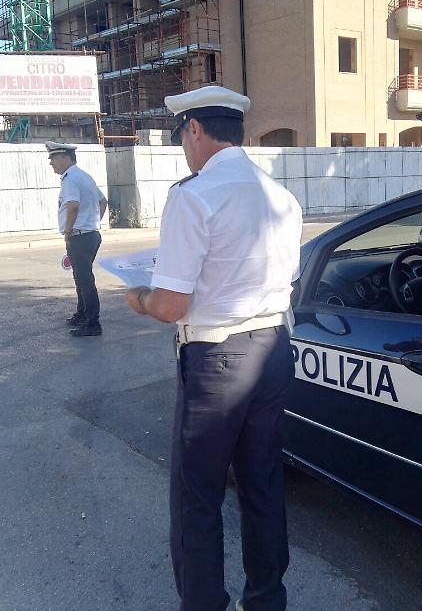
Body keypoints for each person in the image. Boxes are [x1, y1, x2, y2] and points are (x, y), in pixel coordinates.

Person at [125, 86, 302, 611]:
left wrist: (139, 298)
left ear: (195, 129)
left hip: (217, 362)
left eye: (182, 135)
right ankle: (266, 601)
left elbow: (170, 305)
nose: (184, 147)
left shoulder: (194, 196)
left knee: (197, 495)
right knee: (262, 484)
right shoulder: (280, 196)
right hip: (272, 349)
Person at [47, 141, 108, 337]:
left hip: (80, 237)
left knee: (84, 280)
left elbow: (73, 205)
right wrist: (92, 222)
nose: (51, 163)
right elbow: (103, 201)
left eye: (53, 158)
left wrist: (68, 231)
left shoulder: (70, 179)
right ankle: (82, 315)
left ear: (65, 158)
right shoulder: (83, 176)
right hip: (90, 235)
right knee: (81, 278)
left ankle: (92, 323)